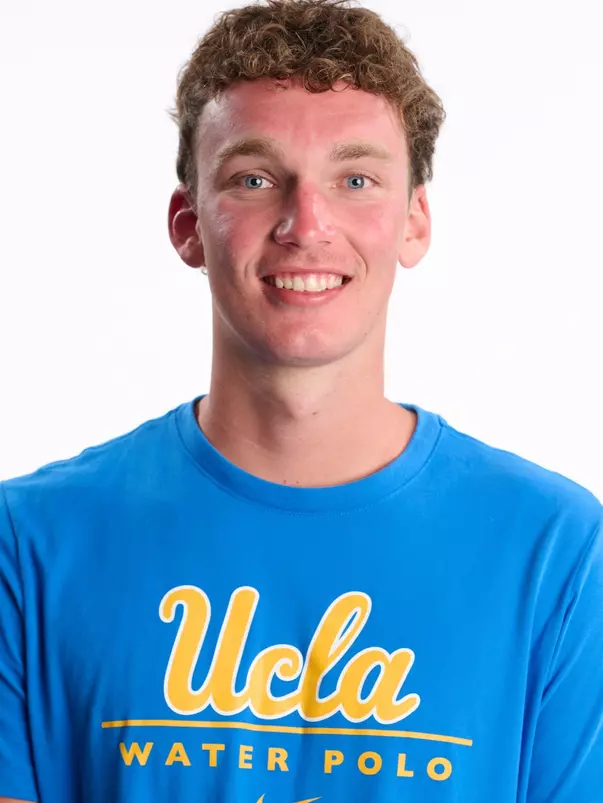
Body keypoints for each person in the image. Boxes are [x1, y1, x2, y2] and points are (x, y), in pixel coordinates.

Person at [1, 0, 602, 801]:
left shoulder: (556, 550)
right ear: (187, 224)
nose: (305, 223)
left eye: (354, 180)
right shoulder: (29, 543)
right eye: (254, 179)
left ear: (413, 221)